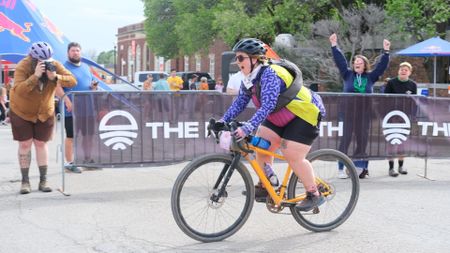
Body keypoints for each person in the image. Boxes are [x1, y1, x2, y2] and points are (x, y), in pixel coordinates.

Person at [217, 38, 326, 211]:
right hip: (280, 116)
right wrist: (222, 121)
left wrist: (248, 127)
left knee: (292, 154)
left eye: (241, 58)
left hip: (304, 114)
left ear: (255, 58)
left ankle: (314, 193)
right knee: (262, 144)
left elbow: (267, 105)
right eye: (236, 58)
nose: (237, 63)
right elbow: (240, 103)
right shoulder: (249, 79)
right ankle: (266, 186)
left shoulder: (270, 74)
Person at [10, 41, 76, 194]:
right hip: (22, 111)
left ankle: (43, 180)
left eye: (46, 60)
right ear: (32, 57)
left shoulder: (54, 64)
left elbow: (72, 80)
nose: (44, 63)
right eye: (40, 61)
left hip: (45, 111)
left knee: (41, 144)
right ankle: (25, 181)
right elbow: (18, 90)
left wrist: (55, 76)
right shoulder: (23, 66)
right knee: (25, 144)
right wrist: (36, 76)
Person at [329, 33, 391, 179]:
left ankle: (360, 167)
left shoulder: (370, 77)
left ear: (364, 65)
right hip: (348, 113)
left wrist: (386, 52)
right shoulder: (347, 74)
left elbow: (381, 67)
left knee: (363, 139)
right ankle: (340, 167)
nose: (356, 62)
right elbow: (341, 62)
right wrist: (334, 46)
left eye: (360, 61)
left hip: (364, 113)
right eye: (355, 61)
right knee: (346, 139)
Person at [55, 42, 97, 174]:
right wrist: (66, 100)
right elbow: (57, 87)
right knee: (71, 136)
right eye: (73, 50)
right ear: (68, 53)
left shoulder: (86, 67)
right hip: (71, 110)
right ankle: (69, 163)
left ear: (81, 52)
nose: (75, 53)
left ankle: (87, 160)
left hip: (88, 108)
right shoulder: (63, 68)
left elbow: (91, 84)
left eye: (77, 50)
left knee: (88, 135)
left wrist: (93, 86)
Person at [384, 62, 417, 177]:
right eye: (402, 69)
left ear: (409, 72)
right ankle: (391, 168)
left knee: (403, 142)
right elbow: (385, 99)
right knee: (391, 142)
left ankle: (401, 165)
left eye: (406, 70)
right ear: (398, 70)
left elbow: (414, 102)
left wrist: (413, 117)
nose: (403, 71)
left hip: (405, 118)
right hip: (392, 117)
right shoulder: (391, 83)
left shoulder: (413, 85)